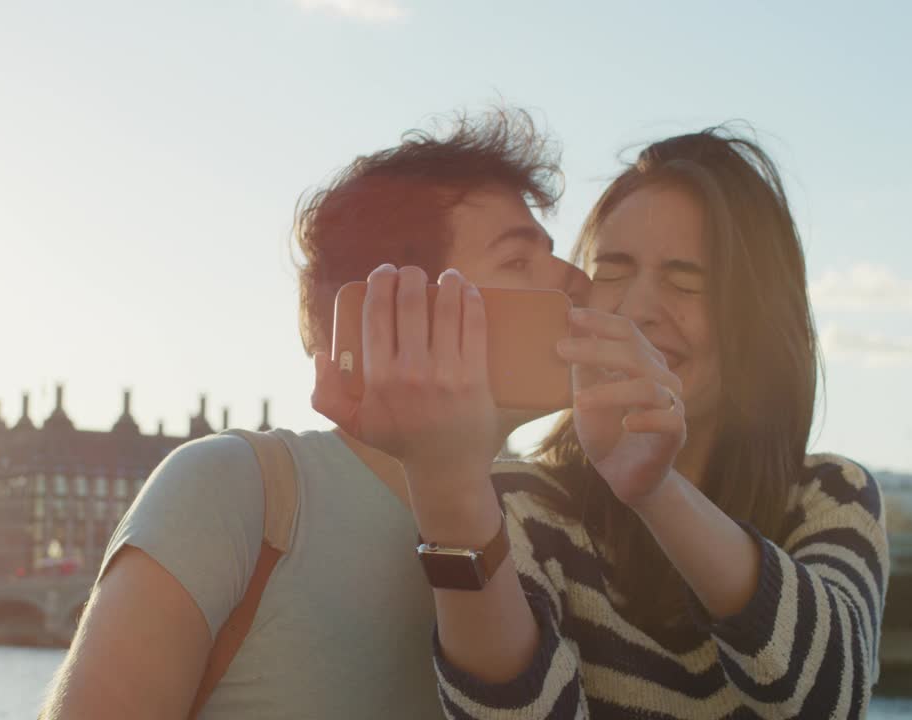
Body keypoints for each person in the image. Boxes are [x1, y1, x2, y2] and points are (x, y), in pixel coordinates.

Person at [39, 108, 590, 720]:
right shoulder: (233, 486)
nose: (572, 279)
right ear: (397, 308)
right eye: (518, 261)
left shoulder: (557, 532)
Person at [320, 128, 888, 718]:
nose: (638, 308)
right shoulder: (523, 506)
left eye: (685, 281)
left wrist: (656, 490)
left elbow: (829, 698)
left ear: (762, 317)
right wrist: (447, 484)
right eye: (613, 271)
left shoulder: (829, 496)